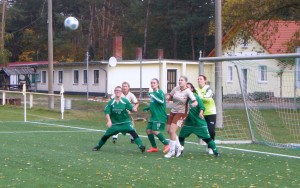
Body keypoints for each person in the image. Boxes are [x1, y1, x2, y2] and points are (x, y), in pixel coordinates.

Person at [92, 86, 145, 152]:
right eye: (116, 90)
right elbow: (107, 112)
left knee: (132, 131)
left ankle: (141, 146)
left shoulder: (125, 101)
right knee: (106, 135)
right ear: (114, 92)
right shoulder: (111, 102)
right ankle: (98, 146)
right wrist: (109, 121)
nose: (118, 91)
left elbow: (131, 108)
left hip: (125, 122)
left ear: (121, 92)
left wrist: (134, 109)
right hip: (115, 124)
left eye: (119, 90)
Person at [177, 82, 219, 157]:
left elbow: (202, 106)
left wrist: (201, 112)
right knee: (181, 136)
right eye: (185, 87)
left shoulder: (195, 97)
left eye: (188, 87)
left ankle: (216, 152)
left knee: (207, 139)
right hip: (188, 123)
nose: (186, 89)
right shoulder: (183, 99)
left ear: (192, 89)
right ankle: (180, 151)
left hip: (198, 123)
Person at [164, 76, 198, 158]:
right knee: (169, 130)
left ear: (186, 82)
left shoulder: (188, 92)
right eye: (179, 80)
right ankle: (179, 147)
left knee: (172, 131)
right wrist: (167, 97)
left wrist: (194, 104)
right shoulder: (176, 88)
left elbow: (195, 101)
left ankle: (172, 151)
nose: (180, 81)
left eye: (181, 80)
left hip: (182, 113)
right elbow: (170, 95)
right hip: (173, 111)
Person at [143, 78, 170, 153]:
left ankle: (167, 144)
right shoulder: (153, 93)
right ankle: (154, 147)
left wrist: (152, 95)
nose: (152, 84)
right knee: (148, 130)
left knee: (155, 131)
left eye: (154, 83)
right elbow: (154, 104)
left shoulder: (160, 92)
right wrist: (148, 108)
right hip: (153, 116)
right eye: (151, 83)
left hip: (160, 115)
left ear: (158, 84)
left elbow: (161, 101)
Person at [196, 75, 217, 155]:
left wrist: (198, 98)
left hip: (211, 112)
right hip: (201, 113)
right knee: (202, 132)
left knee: (211, 131)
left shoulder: (208, 88)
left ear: (205, 80)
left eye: (200, 79)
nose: (199, 80)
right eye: (198, 79)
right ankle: (208, 142)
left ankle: (210, 146)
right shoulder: (196, 90)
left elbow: (207, 98)